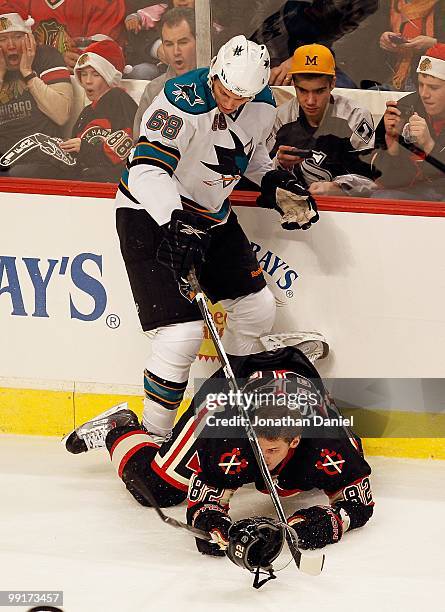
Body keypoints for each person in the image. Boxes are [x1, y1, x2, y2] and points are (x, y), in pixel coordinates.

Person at [114, 35, 319, 443]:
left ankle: (220, 409)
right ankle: (154, 438)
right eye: (224, 91)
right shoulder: (179, 100)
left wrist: (274, 181)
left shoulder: (262, 105)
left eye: (239, 96)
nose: (229, 102)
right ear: (215, 72)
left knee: (257, 309)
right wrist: (173, 220)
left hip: (210, 215)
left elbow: (250, 157)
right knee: (182, 333)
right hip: (149, 211)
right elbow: (147, 169)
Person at [63, 344, 374, 565]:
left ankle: (288, 359)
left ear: (295, 440)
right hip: (230, 389)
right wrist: (218, 530)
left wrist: (301, 529)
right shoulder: (229, 434)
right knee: (157, 489)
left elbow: (358, 504)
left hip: (301, 383)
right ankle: (119, 427)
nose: (262, 458)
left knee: (295, 481)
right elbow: (205, 502)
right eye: (257, 447)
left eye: (271, 450)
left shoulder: (329, 439)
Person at [267, 44, 378, 197]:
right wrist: (280, 165)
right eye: (303, 91)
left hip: (344, 208)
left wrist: (337, 188)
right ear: (293, 84)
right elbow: (260, 172)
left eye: (319, 91)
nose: (310, 101)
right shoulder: (280, 117)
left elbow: (371, 179)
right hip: (291, 205)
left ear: (332, 84)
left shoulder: (356, 116)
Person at [0, 11, 73, 178]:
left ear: (29, 38)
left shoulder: (46, 56)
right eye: (2, 40)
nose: (11, 45)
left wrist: (28, 72)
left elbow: (61, 114)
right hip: (5, 160)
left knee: (16, 175)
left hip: (43, 156)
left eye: (18, 37)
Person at [371, 43, 445, 200]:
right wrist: (392, 148)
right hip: (414, 192)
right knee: (382, 198)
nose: (424, 94)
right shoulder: (405, 107)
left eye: (433, 87)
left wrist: (429, 146)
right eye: (420, 85)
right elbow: (386, 181)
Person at [59, 40, 137, 183]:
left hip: (112, 185)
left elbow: (126, 146)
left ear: (108, 75)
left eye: (95, 74)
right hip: (83, 180)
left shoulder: (120, 100)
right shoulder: (87, 112)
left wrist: (85, 149)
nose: (88, 81)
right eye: (83, 74)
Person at [0, 0, 126, 70]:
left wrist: (81, 58)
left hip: (79, 82)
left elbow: (106, 56)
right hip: (29, 77)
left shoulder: (105, 3)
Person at [133, 7, 197, 141]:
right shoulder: (154, 90)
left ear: (199, 41)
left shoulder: (219, 86)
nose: (176, 51)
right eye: (168, 44)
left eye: (183, 42)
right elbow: (138, 143)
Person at [378, 0, 444, 91]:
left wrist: (434, 43)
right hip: (392, 77)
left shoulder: (440, 5)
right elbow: (368, 39)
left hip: (433, 80)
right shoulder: (391, 3)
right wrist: (384, 40)